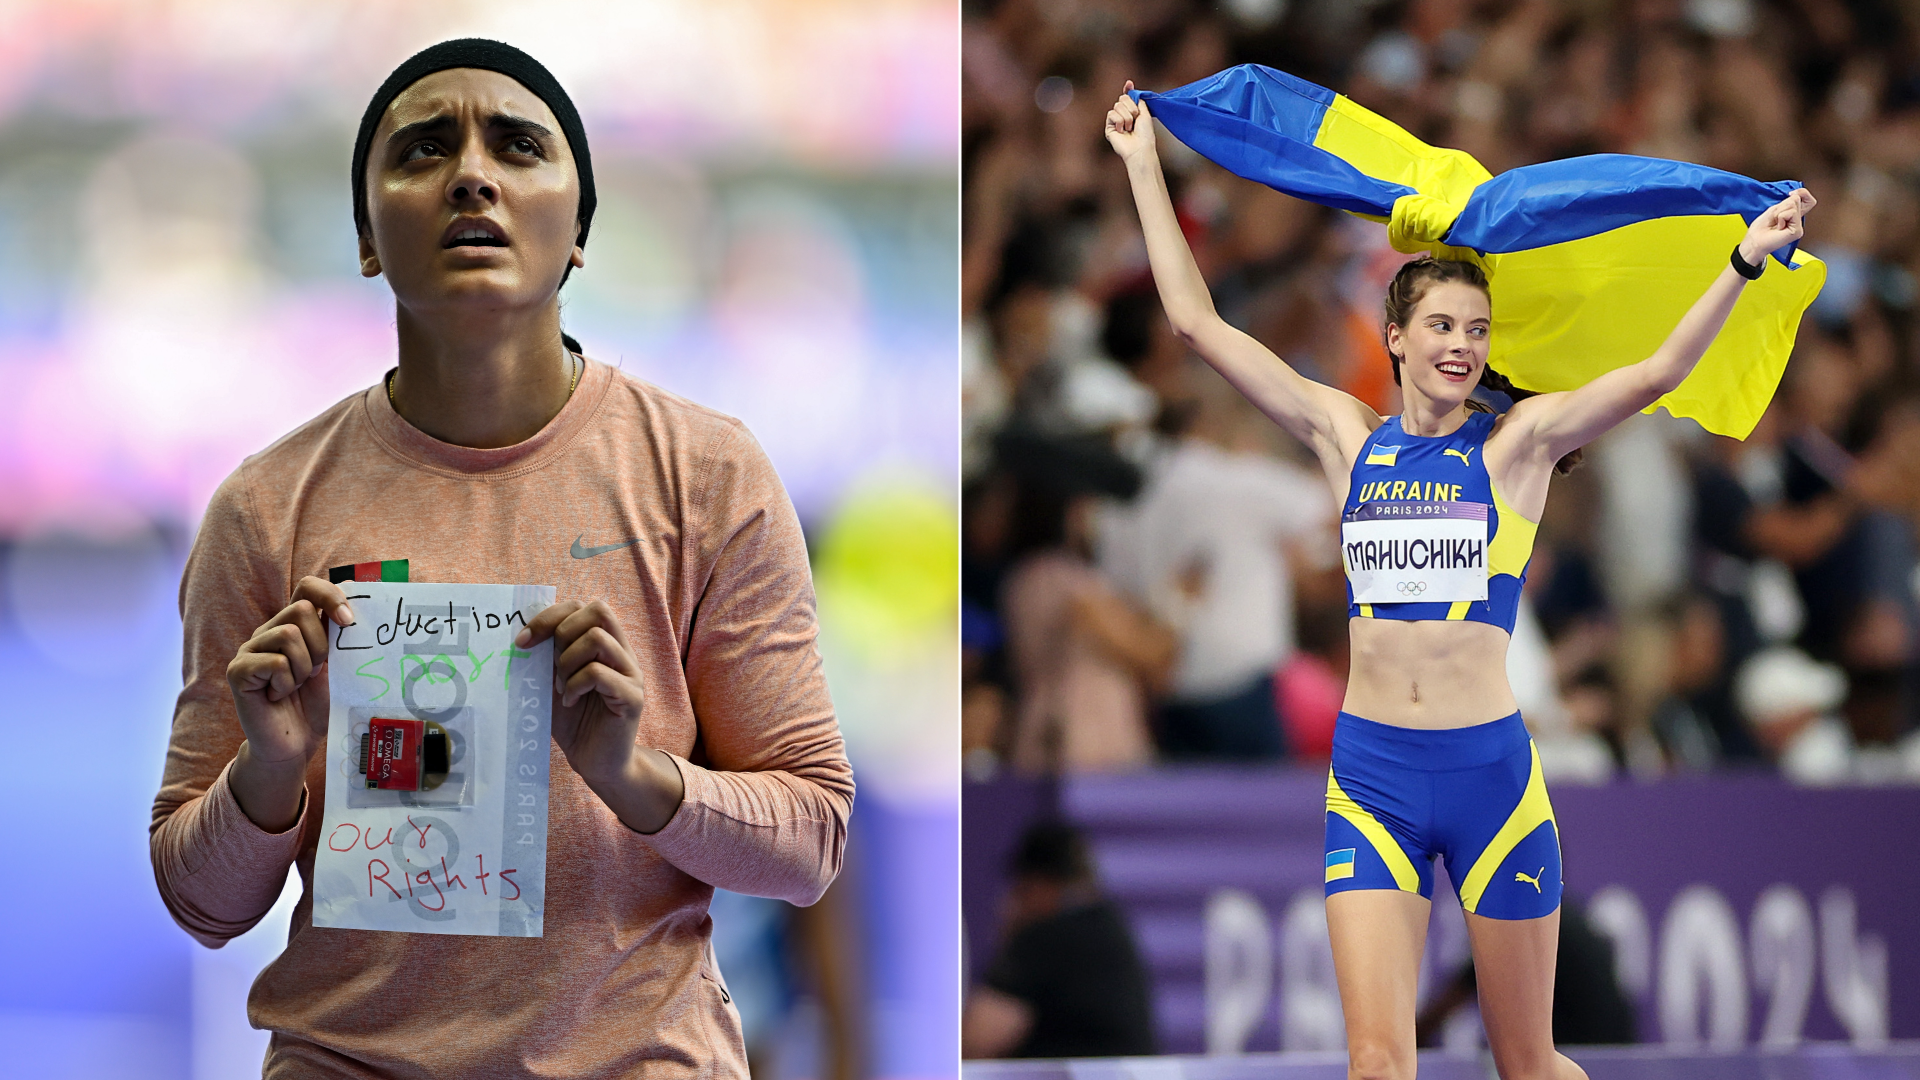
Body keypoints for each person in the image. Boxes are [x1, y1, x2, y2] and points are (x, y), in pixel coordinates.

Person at [148, 39, 853, 1078]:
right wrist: (269, 770)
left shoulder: (708, 475)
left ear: (577, 233)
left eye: (519, 145)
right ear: (365, 238)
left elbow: (810, 844)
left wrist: (635, 775)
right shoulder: (266, 506)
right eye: (424, 147)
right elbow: (201, 903)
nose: (471, 172)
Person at [1106, 83, 1812, 1080]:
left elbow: (1654, 375)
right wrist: (1142, 164)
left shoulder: (1519, 446)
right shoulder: (1345, 439)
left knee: (1528, 1063)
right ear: (1394, 336)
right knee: (1377, 1062)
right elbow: (1193, 325)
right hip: (1372, 782)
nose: (1460, 346)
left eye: (1474, 331)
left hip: (1491, 782)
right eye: (1440, 326)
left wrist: (1742, 262)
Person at [962, 822, 1157, 1059]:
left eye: (1021, 889)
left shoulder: (1048, 938)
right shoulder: (1108, 925)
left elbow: (974, 1041)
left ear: (1038, 884)